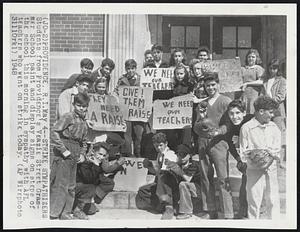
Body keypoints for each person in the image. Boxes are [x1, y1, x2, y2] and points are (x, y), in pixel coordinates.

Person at [193, 72, 232, 219]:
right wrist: (201, 122)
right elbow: (195, 127)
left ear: (218, 84)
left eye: (213, 85)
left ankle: (227, 212)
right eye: (207, 85)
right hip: (203, 143)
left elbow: (230, 124)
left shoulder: (225, 101)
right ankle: (210, 210)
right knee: (205, 177)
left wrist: (218, 132)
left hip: (220, 143)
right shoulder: (202, 104)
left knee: (223, 177)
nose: (210, 88)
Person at [239, 96, 284, 219]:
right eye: (270, 112)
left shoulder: (274, 127)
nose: (272, 115)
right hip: (254, 169)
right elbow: (243, 150)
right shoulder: (247, 127)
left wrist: (269, 155)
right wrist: (255, 156)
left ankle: (274, 224)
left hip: (271, 168)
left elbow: (277, 148)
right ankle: (254, 223)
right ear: (261, 111)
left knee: (273, 199)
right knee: (254, 199)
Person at [50, 93, 90, 220]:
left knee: (71, 186)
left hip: (76, 152)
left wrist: (83, 154)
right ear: (73, 105)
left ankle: (65, 213)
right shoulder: (68, 117)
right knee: (61, 184)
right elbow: (54, 132)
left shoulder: (84, 121)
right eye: (79, 105)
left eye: (84, 106)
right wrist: (63, 150)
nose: (81, 109)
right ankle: (54, 213)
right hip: (65, 150)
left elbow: (84, 141)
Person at [74, 139, 125, 218]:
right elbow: (89, 180)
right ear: (93, 152)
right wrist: (97, 165)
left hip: (88, 186)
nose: (101, 157)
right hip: (79, 187)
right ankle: (77, 209)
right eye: (100, 154)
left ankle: (91, 200)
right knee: (91, 187)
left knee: (92, 210)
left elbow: (105, 168)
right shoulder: (87, 160)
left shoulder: (97, 159)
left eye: (104, 155)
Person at [136, 132, 179, 220]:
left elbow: (163, 172)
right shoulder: (159, 155)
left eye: (160, 145)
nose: (158, 148)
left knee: (163, 176)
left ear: (166, 143)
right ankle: (160, 205)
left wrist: (154, 168)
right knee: (142, 191)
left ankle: (169, 207)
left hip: (171, 185)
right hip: (161, 182)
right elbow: (157, 172)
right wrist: (148, 166)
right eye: (156, 146)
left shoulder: (170, 154)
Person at [114, 59, 144, 157]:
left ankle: (138, 154)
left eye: (132, 68)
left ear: (135, 68)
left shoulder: (141, 79)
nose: (130, 70)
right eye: (128, 69)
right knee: (127, 135)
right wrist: (116, 97)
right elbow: (115, 91)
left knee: (139, 134)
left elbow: (147, 92)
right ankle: (128, 155)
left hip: (138, 112)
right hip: (126, 111)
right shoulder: (122, 79)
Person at [261, 59, 286, 141]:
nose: (272, 70)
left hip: (277, 109)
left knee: (277, 132)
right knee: (266, 132)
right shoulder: (265, 81)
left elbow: (281, 96)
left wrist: (269, 102)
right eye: (270, 68)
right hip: (266, 110)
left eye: (274, 68)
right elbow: (262, 94)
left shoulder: (282, 80)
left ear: (278, 69)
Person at [175, 144, 202, 220]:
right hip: (187, 195)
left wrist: (179, 171)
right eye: (179, 154)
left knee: (183, 184)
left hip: (198, 192)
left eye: (183, 154)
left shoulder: (194, 164)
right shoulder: (179, 165)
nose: (181, 157)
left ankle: (186, 212)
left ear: (189, 155)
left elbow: (188, 179)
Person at [171, 64, 193, 148]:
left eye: (181, 74)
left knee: (186, 135)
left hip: (186, 115)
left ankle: (185, 152)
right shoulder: (173, 86)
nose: (179, 76)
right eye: (177, 74)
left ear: (185, 74)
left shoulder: (189, 85)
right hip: (175, 113)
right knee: (176, 134)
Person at [240, 49, 265, 114]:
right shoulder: (242, 68)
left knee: (251, 113)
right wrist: (235, 63)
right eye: (249, 57)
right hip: (242, 94)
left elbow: (261, 81)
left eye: (253, 57)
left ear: (257, 58)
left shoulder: (258, 68)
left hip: (253, 95)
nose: (251, 58)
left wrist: (247, 83)